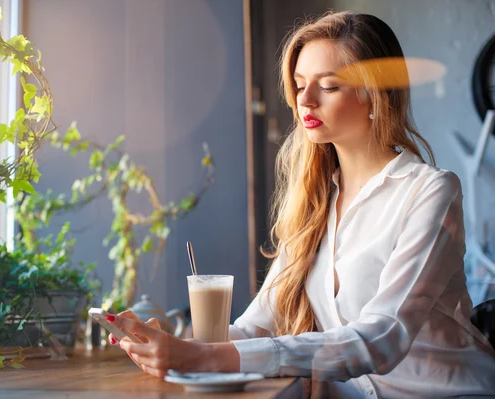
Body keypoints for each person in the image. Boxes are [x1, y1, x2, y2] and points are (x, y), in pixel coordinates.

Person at [107, 10, 495, 398]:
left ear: (375, 94)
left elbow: (380, 339)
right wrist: (172, 342)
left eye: (328, 87)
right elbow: (254, 327)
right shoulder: (314, 203)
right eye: (298, 84)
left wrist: (200, 357)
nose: (304, 101)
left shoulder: (430, 192)